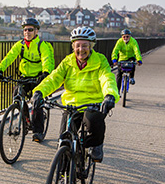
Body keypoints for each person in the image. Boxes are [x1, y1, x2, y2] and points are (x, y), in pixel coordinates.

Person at [31, 26, 119, 162]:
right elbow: (54, 78)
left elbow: (107, 78)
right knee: (64, 140)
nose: (81, 49)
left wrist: (110, 95)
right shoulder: (68, 61)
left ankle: (96, 145)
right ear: (73, 46)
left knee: (93, 124)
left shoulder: (100, 60)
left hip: (92, 103)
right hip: (71, 105)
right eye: (77, 46)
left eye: (85, 45)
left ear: (91, 46)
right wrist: (39, 91)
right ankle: (62, 176)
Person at [0, 18, 55, 142]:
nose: (27, 32)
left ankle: (38, 131)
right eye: (25, 29)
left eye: (30, 30)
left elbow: (47, 60)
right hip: (24, 78)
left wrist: (45, 73)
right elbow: (9, 57)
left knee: (36, 101)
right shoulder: (20, 45)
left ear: (36, 31)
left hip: (38, 78)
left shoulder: (42, 45)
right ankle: (26, 120)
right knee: (17, 95)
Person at [111, 29, 142, 93]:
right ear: (121, 37)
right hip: (122, 58)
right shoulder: (119, 42)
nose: (125, 38)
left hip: (130, 57)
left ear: (130, 36)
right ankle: (117, 91)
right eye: (124, 36)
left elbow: (136, 51)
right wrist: (114, 59)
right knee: (119, 74)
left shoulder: (133, 41)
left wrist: (139, 59)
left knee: (133, 64)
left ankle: (131, 77)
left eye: (127, 36)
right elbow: (115, 50)